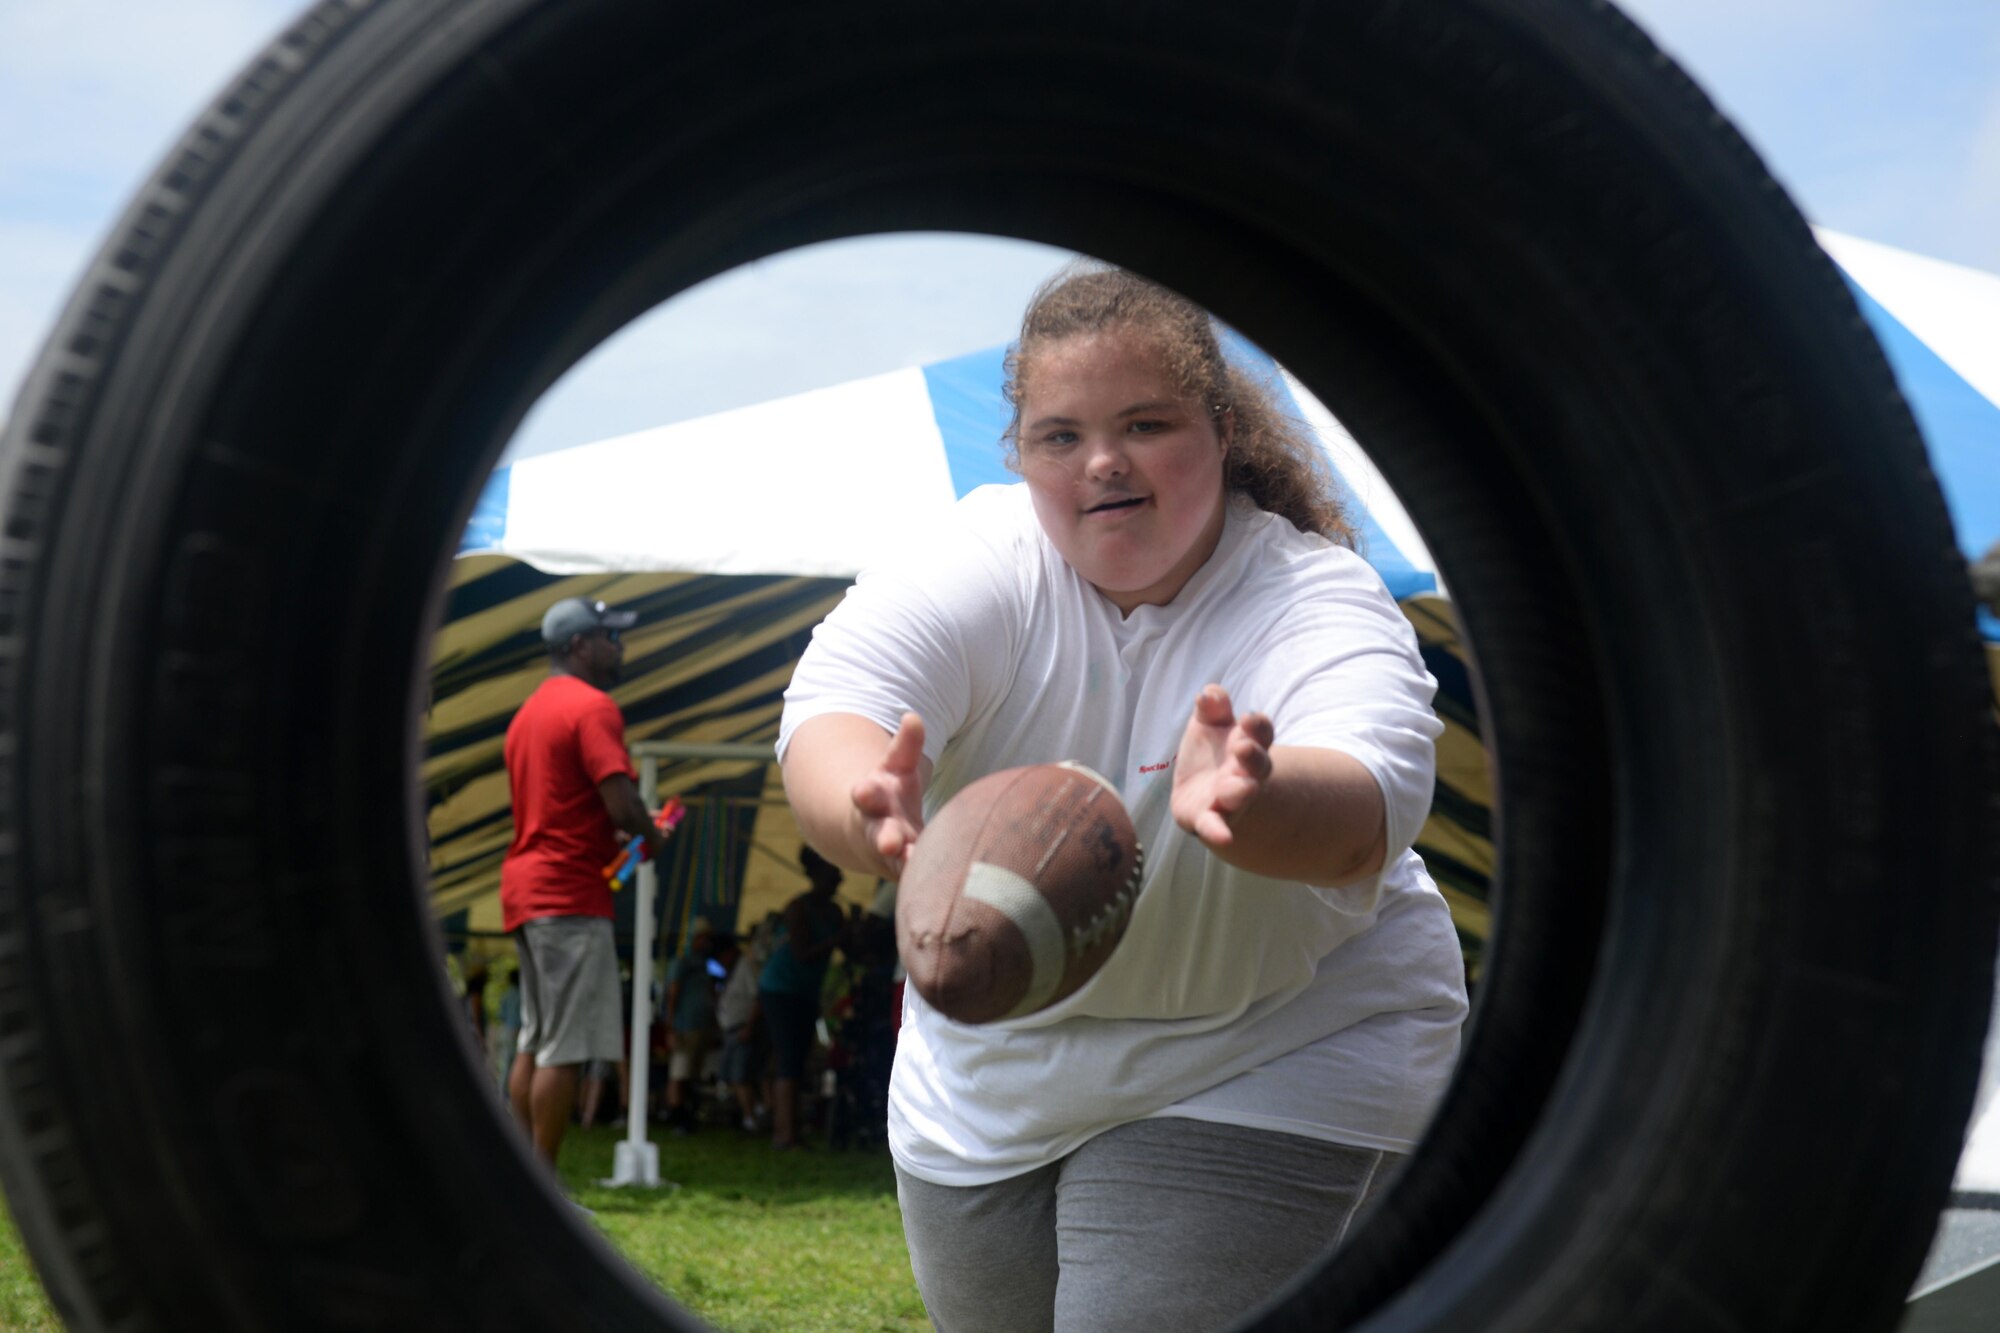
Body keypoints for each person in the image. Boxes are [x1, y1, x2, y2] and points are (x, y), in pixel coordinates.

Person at [777, 266, 1469, 1331]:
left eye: (1145, 423)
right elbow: (837, 709)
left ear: (1223, 429)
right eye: (1059, 435)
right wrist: (862, 801)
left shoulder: (1311, 592)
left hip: (1272, 1045)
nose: (1101, 463)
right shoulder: (977, 558)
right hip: (985, 1074)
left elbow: (1371, 799)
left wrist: (1258, 797)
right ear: (1018, 451)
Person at [501, 596, 671, 1172]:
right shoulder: (592, 706)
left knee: (534, 1039)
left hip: (529, 890)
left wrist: (613, 841)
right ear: (579, 646)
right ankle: (542, 1188)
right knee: (563, 1050)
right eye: (609, 637)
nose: (618, 647)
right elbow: (620, 801)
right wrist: (652, 833)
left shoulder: (527, 714)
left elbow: (563, 809)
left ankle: (520, 1178)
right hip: (568, 895)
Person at [757, 846, 848, 1150]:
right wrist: (838, 939)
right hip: (780, 990)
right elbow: (802, 953)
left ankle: (790, 1128)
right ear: (817, 875)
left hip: (805, 992)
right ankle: (784, 1133)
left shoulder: (835, 912)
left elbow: (849, 951)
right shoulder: (798, 908)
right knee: (789, 1058)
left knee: (798, 1058)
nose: (839, 878)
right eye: (833, 872)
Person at [662, 916, 718, 1134]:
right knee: (679, 1072)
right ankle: (677, 1116)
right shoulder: (682, 962)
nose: (707, 942)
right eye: (704, 938)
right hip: (684, 1026)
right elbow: (672, 994)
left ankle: (689, 1115)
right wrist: (671, 1026)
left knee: (693, 1073)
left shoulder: (705, 964)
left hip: (701, 1026)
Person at [712, 932, 765, 1132]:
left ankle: (752, 1116)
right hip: (732, 1029)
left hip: (743, 1028)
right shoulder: (732, 970)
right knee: (733, 1075)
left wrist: (749, 1026)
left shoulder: (746, 965)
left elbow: (757, 998)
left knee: (740, 1075)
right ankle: (753, 1112)